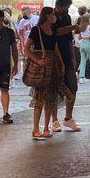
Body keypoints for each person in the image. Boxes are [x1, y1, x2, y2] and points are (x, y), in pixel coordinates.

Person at [22, 7, 71, 140]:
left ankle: (46, 128)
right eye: (53, 15)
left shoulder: (53, 30)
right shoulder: (36, 30)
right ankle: (36, 129)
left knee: (50, 98)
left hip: (52, 66)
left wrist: (61, 64)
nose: (54, 17)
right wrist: (38, 61)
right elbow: (26, 48)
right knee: (40, 98)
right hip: (42, 67)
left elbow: (55, 49)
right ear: (47, 16)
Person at [52, 0, 82, 133]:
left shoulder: (67, 17)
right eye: (66, 7)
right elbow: (56, 33)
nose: (67, 10)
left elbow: (69, 39)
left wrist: (72, 57)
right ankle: (54, 120)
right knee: (53, 90)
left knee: (72, 87)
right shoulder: (50, 16)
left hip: (66, 57)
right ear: (60, 6)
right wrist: (73, 27)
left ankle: (68, 118)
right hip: (53, 57)